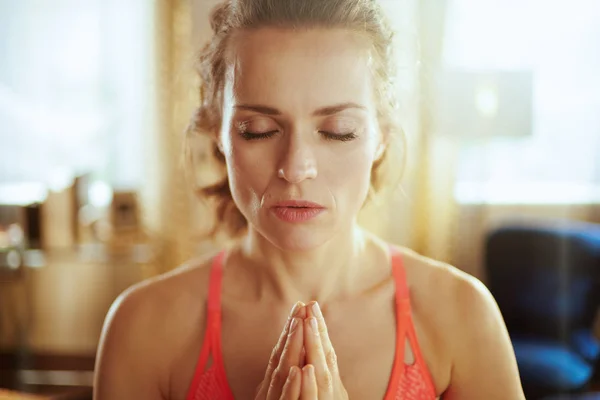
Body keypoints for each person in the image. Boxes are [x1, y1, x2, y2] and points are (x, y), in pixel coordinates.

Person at [93, 0, 526, 399]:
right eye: (259, 129)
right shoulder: (143, 328)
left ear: (381, 138)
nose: (297, 167)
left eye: (338, 130)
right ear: (218, 136)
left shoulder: (463, 316)